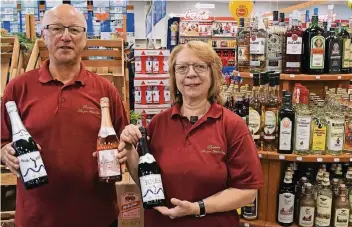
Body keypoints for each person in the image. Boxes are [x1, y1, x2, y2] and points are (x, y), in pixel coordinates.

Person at [0, 4, 128, 227]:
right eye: (57, 28)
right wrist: (5, 152)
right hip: (36, 218)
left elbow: (124, 142)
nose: (66, 37)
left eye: (74, 30)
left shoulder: (105, 90)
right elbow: (2, 141)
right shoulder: (18, 88)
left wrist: (123, 153)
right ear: (44, 35)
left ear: (85, 38)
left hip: (97, 217)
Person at [118, 41, 263, 227]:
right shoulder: (158, 123)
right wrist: (130, 150)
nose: (191, 73)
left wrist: (198, 208)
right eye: (182, 67)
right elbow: (145, 181)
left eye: (200, 66)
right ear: (174, 76)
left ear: (213, 74)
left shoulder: (232, 126)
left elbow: (247, 191)